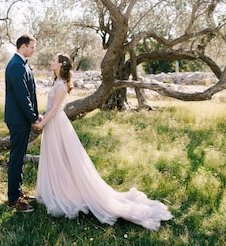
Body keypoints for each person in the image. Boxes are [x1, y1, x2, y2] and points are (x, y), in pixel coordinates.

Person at [33, 53, 173, 230]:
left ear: (60, 64)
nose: (50, 61)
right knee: (56, 158)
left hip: (57, 124)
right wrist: (41, 118)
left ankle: (66, 194)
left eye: (53, 59)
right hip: (52, 124)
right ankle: (57, 191)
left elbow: (55, 110)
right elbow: (49, 109)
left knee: (64, 159)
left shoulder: (61, 86)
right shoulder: (57, 82)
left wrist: (43, 123)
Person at [4, 34, 42, 212]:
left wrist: (35, 114)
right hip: (18, 120)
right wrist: (33, 118)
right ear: (23, 46)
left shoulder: (22, 65)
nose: (34, 50)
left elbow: (30, 94)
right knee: (16, 159)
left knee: (19, 158)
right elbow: (22, 97)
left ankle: (18, 192)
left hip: (21, 119)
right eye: (32, 47)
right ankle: (13, 200)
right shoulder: (16, 66)